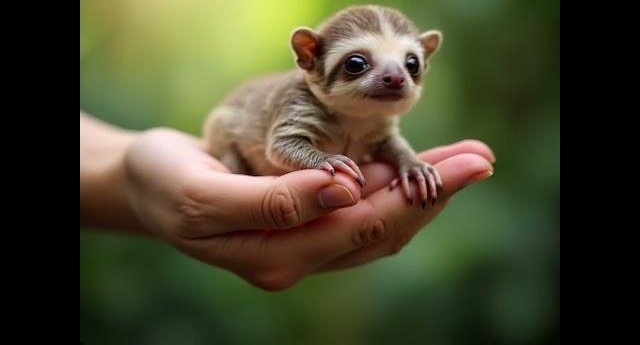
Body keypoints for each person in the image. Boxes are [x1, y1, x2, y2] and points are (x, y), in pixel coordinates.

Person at [80, 111, 494, 290]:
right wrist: (322, 161)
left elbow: (389, 143)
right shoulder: (308, 103)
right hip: (241, 144)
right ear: (310, 59)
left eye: (410, 65)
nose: (393, 78)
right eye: (357, 65)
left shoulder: (381, 123)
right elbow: (282, 144)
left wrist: (407, 163)